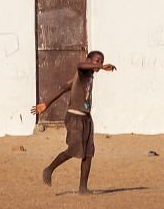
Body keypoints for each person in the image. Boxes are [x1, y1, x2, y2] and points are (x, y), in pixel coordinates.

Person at [31, 50, 116, 195]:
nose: (99, 64)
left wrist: (47, 103)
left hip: (86, 118)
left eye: (101, 62)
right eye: (96, 61)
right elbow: (80, 65)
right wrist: (102, 68)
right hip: (75, 117)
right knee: (73, 150)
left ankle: (83, 188)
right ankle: (49, 169)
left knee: (88, 153)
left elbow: (65, 87)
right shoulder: (83, 72)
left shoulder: (88, 76)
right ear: (88, 60)